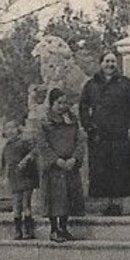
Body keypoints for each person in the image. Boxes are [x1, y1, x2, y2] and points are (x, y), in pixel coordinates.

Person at [79, 50, 130, 214]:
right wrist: (89, 127)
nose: (110, 65)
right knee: (102, 168)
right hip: (100, 135)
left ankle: (118, 204)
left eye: (113, 61)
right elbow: (83, 107)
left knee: (120, 167)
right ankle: (106, 203)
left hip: (121, 134)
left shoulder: (126, 83)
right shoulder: (91, 85)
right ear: (101, 64)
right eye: (107, 61)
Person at [37, 87, 85, 243]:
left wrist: (74, 159)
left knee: (68, 197)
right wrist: (55, 160)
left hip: (69, 165)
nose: (63, 106)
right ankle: (54, 229)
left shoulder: (73, 120)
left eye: (65, 103)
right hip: (54, 167)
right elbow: (42, 144)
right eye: (59, 103)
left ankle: (64, 227)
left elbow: (80, 141)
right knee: (55, 199)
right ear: (52, 104)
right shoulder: (45, 121)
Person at [0, 120, 39, 241]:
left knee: (26, 204)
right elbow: (4, 164)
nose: (10, 131)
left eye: (13, 128)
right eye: (7, 129)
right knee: (16, 205)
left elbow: (35, 150)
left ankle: (28, 230)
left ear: (18, 129)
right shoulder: (6, 147)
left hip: (26, 176)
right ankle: (18, 230)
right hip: (14, 177)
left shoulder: (24, 142)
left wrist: (26, 159)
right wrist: (4, 177)